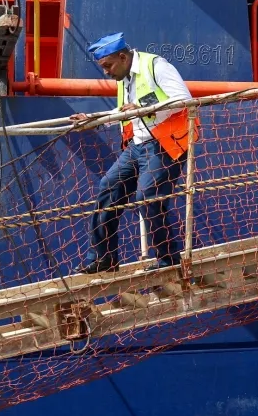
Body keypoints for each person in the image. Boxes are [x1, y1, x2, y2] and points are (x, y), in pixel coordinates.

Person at [71, 34, 196, 274]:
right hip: (137, 145)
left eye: (108, 65)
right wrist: (92, 119)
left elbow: (183, 99)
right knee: (108, 187)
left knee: (147, 195)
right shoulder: (124, 76)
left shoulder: (156, 65)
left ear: (122, 57)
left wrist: (142, 107)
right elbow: (124, 111)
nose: (106, 72)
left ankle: (167, 260)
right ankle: (104, 258)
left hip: (165, 143)